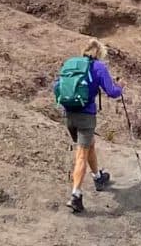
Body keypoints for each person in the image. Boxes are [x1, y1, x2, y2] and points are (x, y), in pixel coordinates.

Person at [53, 37, 125, 214]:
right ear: (99, 53)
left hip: (70, 114)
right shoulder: (98, 67)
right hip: (86, 116)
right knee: (81, 155)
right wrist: (121, 87)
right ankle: (75, 195)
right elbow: (112, 92)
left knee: (88, 144)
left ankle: (98, 177)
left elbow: (57, 86)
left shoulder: (71, 64)